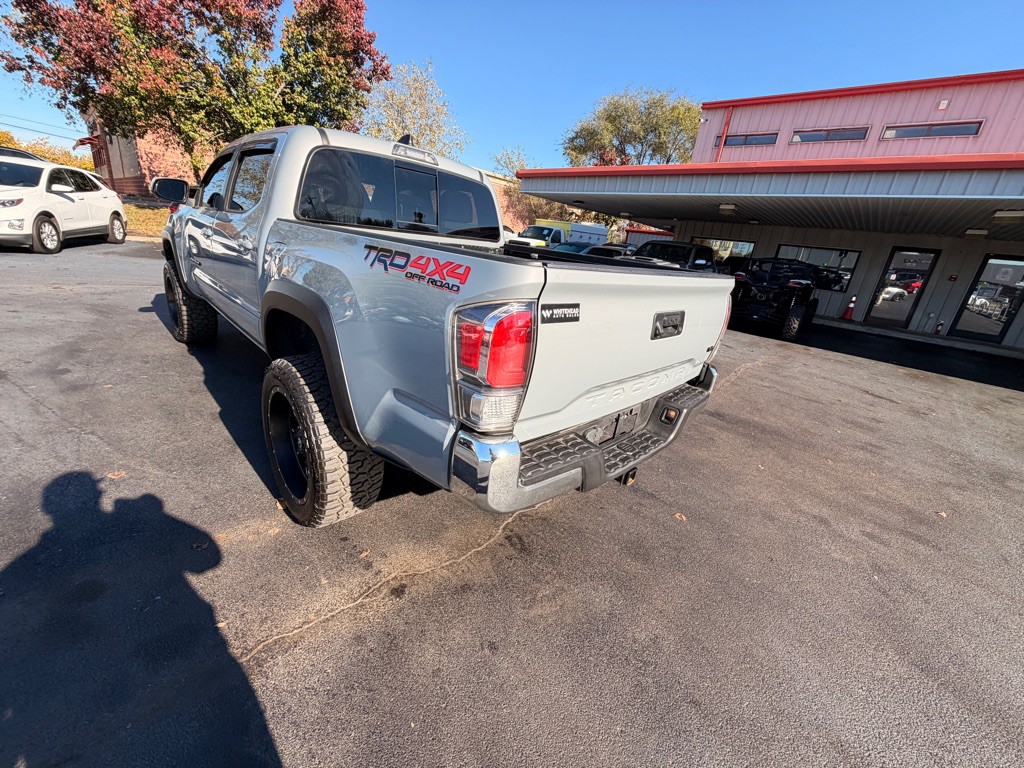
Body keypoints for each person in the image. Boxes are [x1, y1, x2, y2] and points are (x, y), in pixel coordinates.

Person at [0, 472, 281, 767]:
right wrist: (156, 516)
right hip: (163, 666)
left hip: (90, 707)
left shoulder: (19, 569)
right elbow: (207, 558)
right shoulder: (28, 569)